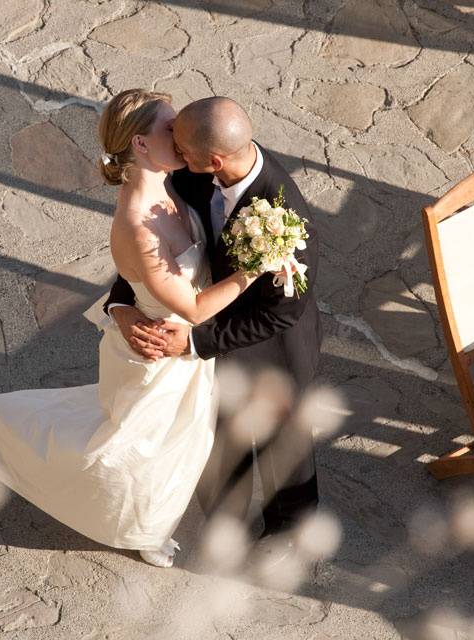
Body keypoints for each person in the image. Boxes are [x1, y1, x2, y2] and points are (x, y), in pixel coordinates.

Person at [0, 89, 261, 568]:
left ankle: (150, 522)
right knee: (131, 450)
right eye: (170, 130)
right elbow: (198, 307)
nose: (183, 138)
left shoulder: (176, 181)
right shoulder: (139, 226)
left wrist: (120, 306)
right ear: (140, 145)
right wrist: (257, 267)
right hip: (155, 354)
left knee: (177, 444)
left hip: (175, 346)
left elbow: (136, 281)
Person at [105, 97, 322, 563]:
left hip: (270, 347)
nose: (177, 154)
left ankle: (291, 533)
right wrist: (122, 303)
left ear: (214, 160)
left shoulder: (285, 216)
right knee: (218, 446)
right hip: (198, 336)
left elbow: (281, 314)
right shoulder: (189, 173)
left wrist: (197, 342)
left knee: (283, 443)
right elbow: (148, 251)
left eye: (183, 148)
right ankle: (228, 531)